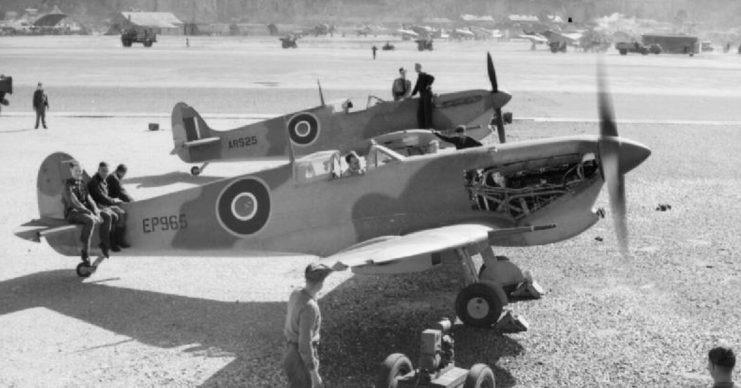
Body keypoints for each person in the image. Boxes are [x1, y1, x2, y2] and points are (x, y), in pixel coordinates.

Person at [283, 263, 334, 388]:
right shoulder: (309, 307)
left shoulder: (296, 293)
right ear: (321, 284)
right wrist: (314, 374)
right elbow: (305, 344)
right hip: (300, 359)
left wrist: (333, 269)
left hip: (290, 353)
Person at [62, 161, 114, 261]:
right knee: (90, 220)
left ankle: (105, 245)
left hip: (84, 210)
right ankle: (85, 252)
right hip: (72, 213)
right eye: (76, 171)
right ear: (71, 171)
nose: (78, 173)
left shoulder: (82, 183)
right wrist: (90, 213)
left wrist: (96, 211)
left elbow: (89, 199)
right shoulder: (67, 185)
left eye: (80, 171)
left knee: (107, 216)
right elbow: (74, 203)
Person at [88, 162, 130, 251]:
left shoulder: (103, 181)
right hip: (97, 207)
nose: (105, 173)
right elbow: (100, 197)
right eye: (103, 171)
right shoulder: (94, 182)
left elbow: (105, 196)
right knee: (113, 216)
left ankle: (119, 240)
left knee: (122, 213)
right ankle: (110, 242)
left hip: (104, 205)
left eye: (106, 171)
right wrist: (113, 201)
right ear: (98, 170)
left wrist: (113, 201)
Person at [411, 63, 435, 129]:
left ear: (420, 68)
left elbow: (432, 78)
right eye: (415, 68)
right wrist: (411, 95)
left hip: (427, 94)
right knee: (419, 114)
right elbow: (416, 87)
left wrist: (428, 85)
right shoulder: (419, 77)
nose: (416, 69)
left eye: (417, 67)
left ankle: (429, 127)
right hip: (422, 96)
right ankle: (422, 128)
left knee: (427, 112)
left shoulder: (424, 75)